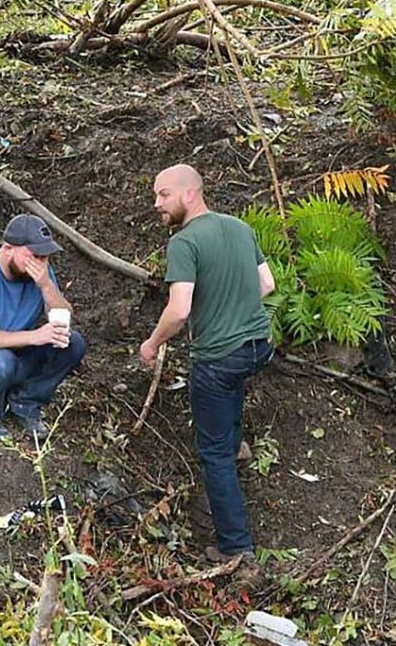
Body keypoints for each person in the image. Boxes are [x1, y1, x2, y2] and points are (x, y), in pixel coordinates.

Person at [139, 164, 275, 571]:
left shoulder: (184, 242)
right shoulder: (239, 228)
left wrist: (151, 343)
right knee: (230, 383)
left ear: (190, 194)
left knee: (211, 453)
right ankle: (238, 446)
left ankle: (236, 548)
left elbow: (179, 311)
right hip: (258, 347)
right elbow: (266, 284)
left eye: (164, 195)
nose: (157, 204)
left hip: (218, 357)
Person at [0, 214, 86, 438]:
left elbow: (64, 314)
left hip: (10, 352)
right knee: (1, 360)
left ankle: (25, 403)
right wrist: (35, 336)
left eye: (45, 257)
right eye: (34, 255)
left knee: (72, 342)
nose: (39, 263)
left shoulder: (40, 273)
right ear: (8, 248)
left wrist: (47, 286)